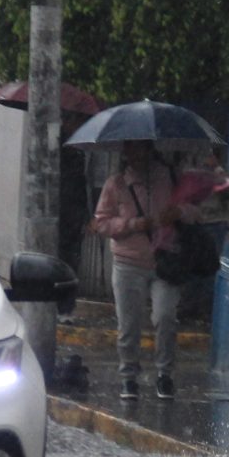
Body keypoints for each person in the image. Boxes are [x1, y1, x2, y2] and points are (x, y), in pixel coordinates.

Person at [90, 140, 195, 401]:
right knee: (129, 324)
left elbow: (196, 212)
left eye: (139, 148)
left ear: (150, 149)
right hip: (127, 264)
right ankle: (128, 377)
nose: (134, 154)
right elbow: (101, 224)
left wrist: (179, 212)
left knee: (166, 317)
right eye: (129, 149)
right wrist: (136, 224)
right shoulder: (116, 184)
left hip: (164, 262)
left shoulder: (171, 178)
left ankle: (165, 374)